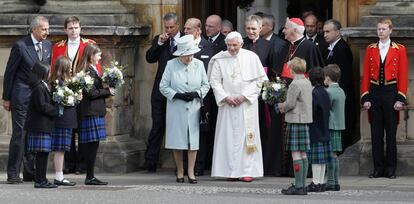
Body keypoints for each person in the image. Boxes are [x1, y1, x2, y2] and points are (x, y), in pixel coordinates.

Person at [208, 31, 268, 182]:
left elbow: (260, 80)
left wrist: (244, 96)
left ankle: (247, 171)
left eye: (235, 45)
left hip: (246, 103)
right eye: (229, 45)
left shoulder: (251, 57)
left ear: (241, 44)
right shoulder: (219, 59)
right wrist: (225, 97)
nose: (232, 48)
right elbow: (214, 81)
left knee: (246, 138)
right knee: (227, 137)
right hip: (227, 104)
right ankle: (230, 171)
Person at [2, 15, 51, 184]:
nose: (47, 32)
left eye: (47, 29)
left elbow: (46, 71)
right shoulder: (20, 46)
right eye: (44, 29)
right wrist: (6, 98)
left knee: (34, 133)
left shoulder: (47, 45)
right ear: (34, 29)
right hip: (21, 95)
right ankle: (13, 173)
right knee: (20, 134)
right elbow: (10, 73)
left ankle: (30, 172)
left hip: (38, 97)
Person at [159, 35, 210, 184]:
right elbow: (163, 86)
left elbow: (206, 84)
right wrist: (177, 95)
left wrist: (197, 93)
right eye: (186, 56)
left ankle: (191, 172)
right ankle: (180, 171)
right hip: (176, 107)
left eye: (191, 55)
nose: (189, 58)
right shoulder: (171, 64)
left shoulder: (199, 64)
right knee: (178, 140)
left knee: (193, 141)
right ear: (180, 55)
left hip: (194, 107)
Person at [361, 17, 408, 179]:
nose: (380, 32)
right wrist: (365, 96)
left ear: (390, 30)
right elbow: (366, 74)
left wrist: (400, 98)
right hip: (374, 92)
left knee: (391, 134)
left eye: (383, 29)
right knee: (376, 134)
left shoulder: (399, 49)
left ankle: (391, 169)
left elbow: (403, 75)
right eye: (378, 29)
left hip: (391, 92)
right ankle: (378, 168)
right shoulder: (370, 49)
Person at [51, 16, 98, 174]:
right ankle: (69, 163)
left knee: (84, 128)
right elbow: (54, 69)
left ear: (81, 28)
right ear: (65, 30)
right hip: (66, 91)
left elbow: (95, 67)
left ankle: (83, 164)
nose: (74, 31)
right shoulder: (58, 46)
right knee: (68, 127)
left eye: (76, 27)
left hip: (85, 91)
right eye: (70, 28)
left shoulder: (89, 44)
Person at [144, 12, 183, 172]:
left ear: (178, 25)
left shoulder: (185, 40)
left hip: (179, 89)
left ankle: (181, 164)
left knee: (179, 127)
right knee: (157, 125)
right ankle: (150, 161)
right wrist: (159, 43)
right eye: (166, 27)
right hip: (160, 90)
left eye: (171, 27)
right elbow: (150, 58)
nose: (168, 30)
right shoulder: (159, 39)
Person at [78, 44, 115, 185]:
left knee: (94, 144)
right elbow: (91, 93)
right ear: (91, 55)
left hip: (95, 111)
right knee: (91, 145)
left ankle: (90, 176)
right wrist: (108, 91)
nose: (100, 57)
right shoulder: (87, 71)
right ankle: (89, 176)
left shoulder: (93, 70)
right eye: (98, 55)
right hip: (90, 111)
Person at [183, 18, 215, 176]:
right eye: (185, 28)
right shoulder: (181, 46)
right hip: (184, 96)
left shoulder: (209, 47)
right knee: (184, 130)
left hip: (203, 96)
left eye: (189, 29)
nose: (186, 31)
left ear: (198, 31)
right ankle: (183, 166)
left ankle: (199, 165)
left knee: (201, 131)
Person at [277, 57, 312, 195]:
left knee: (296, 153)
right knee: (303, 153)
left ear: (292, 69)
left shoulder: (295, 84)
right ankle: (302, 185)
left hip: (295, 120)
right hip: (305, 120)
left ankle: (298, 186)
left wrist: (280, 106)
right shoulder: (307, 82)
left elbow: (290, 104)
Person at [260, 13, 289, 177]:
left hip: (274, 92)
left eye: (261, 25)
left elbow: (277, 72)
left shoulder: (280, 44)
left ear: (269, 27)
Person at [25, 62, 58, 188]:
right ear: (42, 73)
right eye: (48, 71)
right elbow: (42, 106)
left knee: (44, 153)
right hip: (39, 125)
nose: (50, 74)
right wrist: (56, 111)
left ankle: (43, 179)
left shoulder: (43, 85)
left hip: (44, 124)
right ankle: (39, 180)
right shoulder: (38, 87)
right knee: (41, 154)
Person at [323, 19, 355, 150]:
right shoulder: (330, 47)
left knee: (341, 128)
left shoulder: (341, 48)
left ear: (337, 32)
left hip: (339, 96)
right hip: (332, 94)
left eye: (328, 31)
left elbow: (344, 76)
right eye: (324, 31)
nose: (325, 34)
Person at [48, 56, 77, 186]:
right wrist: (72, 98)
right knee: (60, 149)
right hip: (62, 120)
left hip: (67, 119)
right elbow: (59, 101)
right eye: (69, 67)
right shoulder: (57, 82)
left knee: (63, 149)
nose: (71, 69)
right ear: (64, 68)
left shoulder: (64, 81)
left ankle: (60, 175)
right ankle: (59, 176)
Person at [306, 67, 331, 193]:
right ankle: (320, 182)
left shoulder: (314, 93)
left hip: (316, 128)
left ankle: (316, 183)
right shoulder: (325, 92)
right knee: (322, 159)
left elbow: (312, 111)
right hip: (324, 128)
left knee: (316, 159)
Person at [324, 64, 346, 191]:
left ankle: (331, 181)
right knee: (335, 154)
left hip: (331, 125)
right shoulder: (341, 91)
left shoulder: (328, 92)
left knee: (330, 154)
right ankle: (336, 181)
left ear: (327, 78)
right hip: (339, 124)